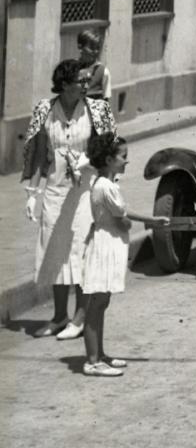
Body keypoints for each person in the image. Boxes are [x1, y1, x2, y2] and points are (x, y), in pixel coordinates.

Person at [21, 59, 115, 340]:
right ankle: (59, 316)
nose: (86, 85)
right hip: (55, 191)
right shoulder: (44, 110)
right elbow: (38, 154)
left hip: (86, 190)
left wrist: (88, 160)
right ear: (64, 84)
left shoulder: (98, 110)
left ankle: (80, 317)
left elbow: (110, 148)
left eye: (88, 80)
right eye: (80, 81)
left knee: (83, 254)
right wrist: (32, 193)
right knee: (55, 253)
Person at [79, 132, 168, 376]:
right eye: (123, 156)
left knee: (101, 302)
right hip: (104, 247)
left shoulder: (103, 183)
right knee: (96, 304)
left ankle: (100, 354)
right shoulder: (106, 186)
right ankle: (92, 362)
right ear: (109, 159)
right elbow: (122, 217)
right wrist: (151, 220)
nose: (126, 161)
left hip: (106, 244)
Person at [77, 30, 111, 102]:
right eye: (91, 48)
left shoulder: (103, 71)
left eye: (97, 48)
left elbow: (106, 99)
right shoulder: (72, 68)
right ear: (80, 48)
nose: (96, 51)